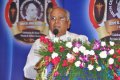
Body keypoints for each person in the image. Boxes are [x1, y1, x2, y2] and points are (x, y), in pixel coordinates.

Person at [23, 7, 89, 80]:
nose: (56, 21)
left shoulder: (79, 40)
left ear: (68, 23)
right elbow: (28, 72)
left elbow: (92, 62)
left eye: (61, 18)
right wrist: (43, 67)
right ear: (49, 23)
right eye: (53, 18)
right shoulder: (40, 43)